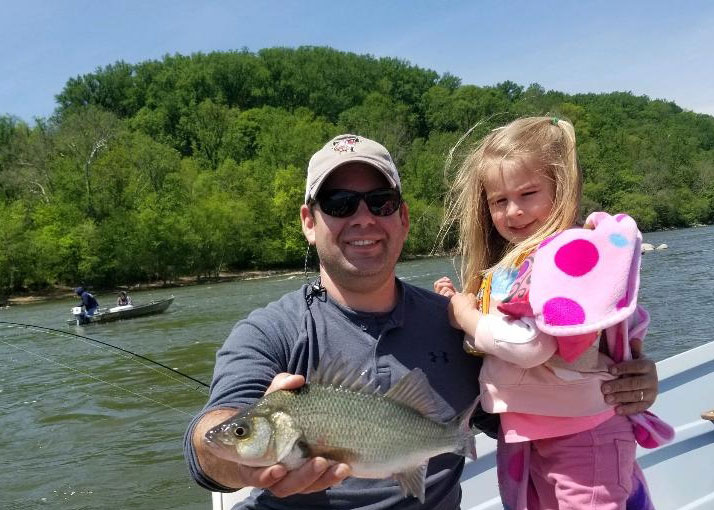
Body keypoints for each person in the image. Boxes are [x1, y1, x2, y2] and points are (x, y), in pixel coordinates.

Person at [184, 133, 660, 510]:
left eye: (381, 202)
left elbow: (519, 406)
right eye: (339, 203)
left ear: (403, 218)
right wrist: (244, 465)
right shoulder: (271, 331)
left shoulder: (460, 319)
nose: (364, 218)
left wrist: (621, 382)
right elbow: (208, 441)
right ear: (309, 221)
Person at [434, 117, 671, 509]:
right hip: (531, 435)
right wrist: (462, 301)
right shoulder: (513, 265)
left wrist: (465, 316)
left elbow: (530, 346)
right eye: (498, 201)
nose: (513, 212)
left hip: (584, 434)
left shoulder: (560, 257)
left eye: (528, 193)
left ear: (562, 190)